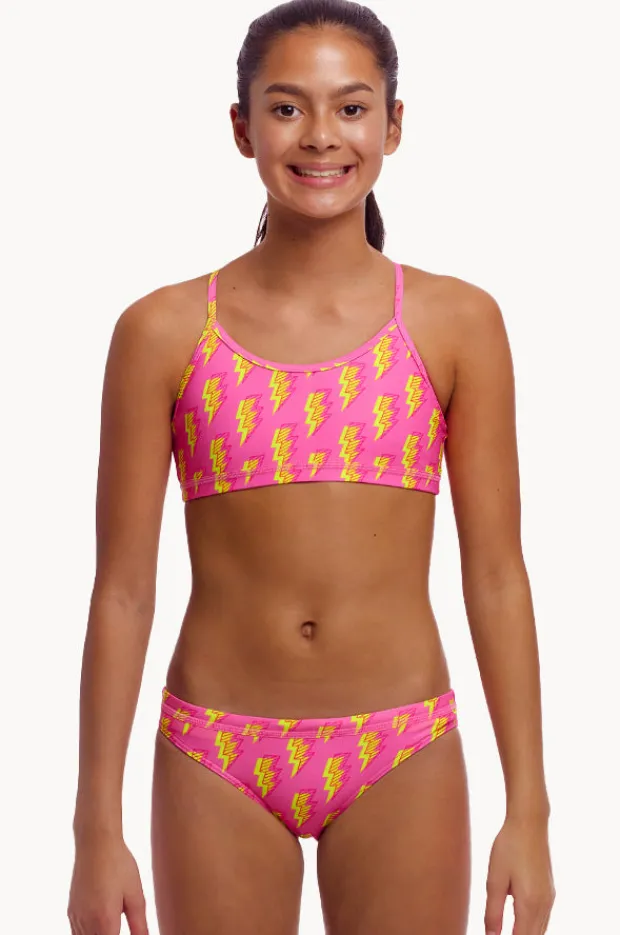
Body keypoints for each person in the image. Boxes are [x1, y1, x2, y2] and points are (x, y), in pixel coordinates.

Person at [68, 1, 556, 933]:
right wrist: (96, 826)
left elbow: (497, 574)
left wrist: (528, 811)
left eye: (352, 107)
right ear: (241, 126)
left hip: (402, 745)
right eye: (288, 108)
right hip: (215, 750)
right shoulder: (162, 331)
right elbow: (122, 590)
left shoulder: (457, 324)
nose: (321, 136)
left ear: (394, 125)